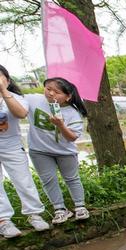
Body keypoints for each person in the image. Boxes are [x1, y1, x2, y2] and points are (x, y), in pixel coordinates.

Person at [25, 77, 89, 224]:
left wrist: (60, 125)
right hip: (39, 150)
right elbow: (16, 102)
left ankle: (80, 206)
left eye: (56, 92)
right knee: (48, 180)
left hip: (65, 152)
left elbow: (71, 138)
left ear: (68, 96)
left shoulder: (73, 113)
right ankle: (60, 210)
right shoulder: (33, 100)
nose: (51, 93)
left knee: (72, 179)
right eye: (48, 89)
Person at [0, 65, 50, 238]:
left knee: (23, 179)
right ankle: (3, 221)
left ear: (7, 78)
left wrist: (3, 91)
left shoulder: (17, 98)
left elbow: (21, 113)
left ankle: (34, 214)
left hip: (12, 146)